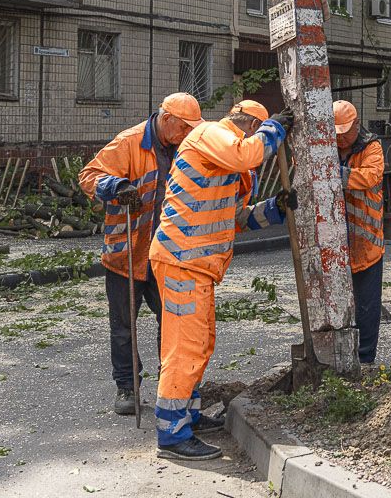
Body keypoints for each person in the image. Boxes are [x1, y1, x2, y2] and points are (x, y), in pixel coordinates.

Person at [150, 99, 293, 461]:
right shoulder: (213, 133)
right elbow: (249, 154)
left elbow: (233, 217)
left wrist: (275, 209)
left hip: (193, 263)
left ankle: (188, 415)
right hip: (183, 260)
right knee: (185, 347)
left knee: (199, 342)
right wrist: (275, 129)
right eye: (257, 133)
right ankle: (171, 435)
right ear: (247, 126)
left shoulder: (222, 156)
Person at [78, 92, 203, 416]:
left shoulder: (185, 148)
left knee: (173, 324)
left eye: (192, 128)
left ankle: (169, 388)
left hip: (167, 254)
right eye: (184, 127)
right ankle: (127, 387)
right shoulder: (130, 142)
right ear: (166, 120)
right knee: (123, 327)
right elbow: (88, 176)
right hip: (127, 253)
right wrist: (118, 188)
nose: (188, 133)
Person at [333, 100, 386, 366]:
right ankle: (337, 358)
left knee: (366, 306)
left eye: (345, 132)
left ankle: (365, 359)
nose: (341, 137)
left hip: (366, 241)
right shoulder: (329, 147)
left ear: (356, 124)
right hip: (335, 242)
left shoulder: (371, 146)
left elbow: (370, 177)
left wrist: (334, 174)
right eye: (336, 132)